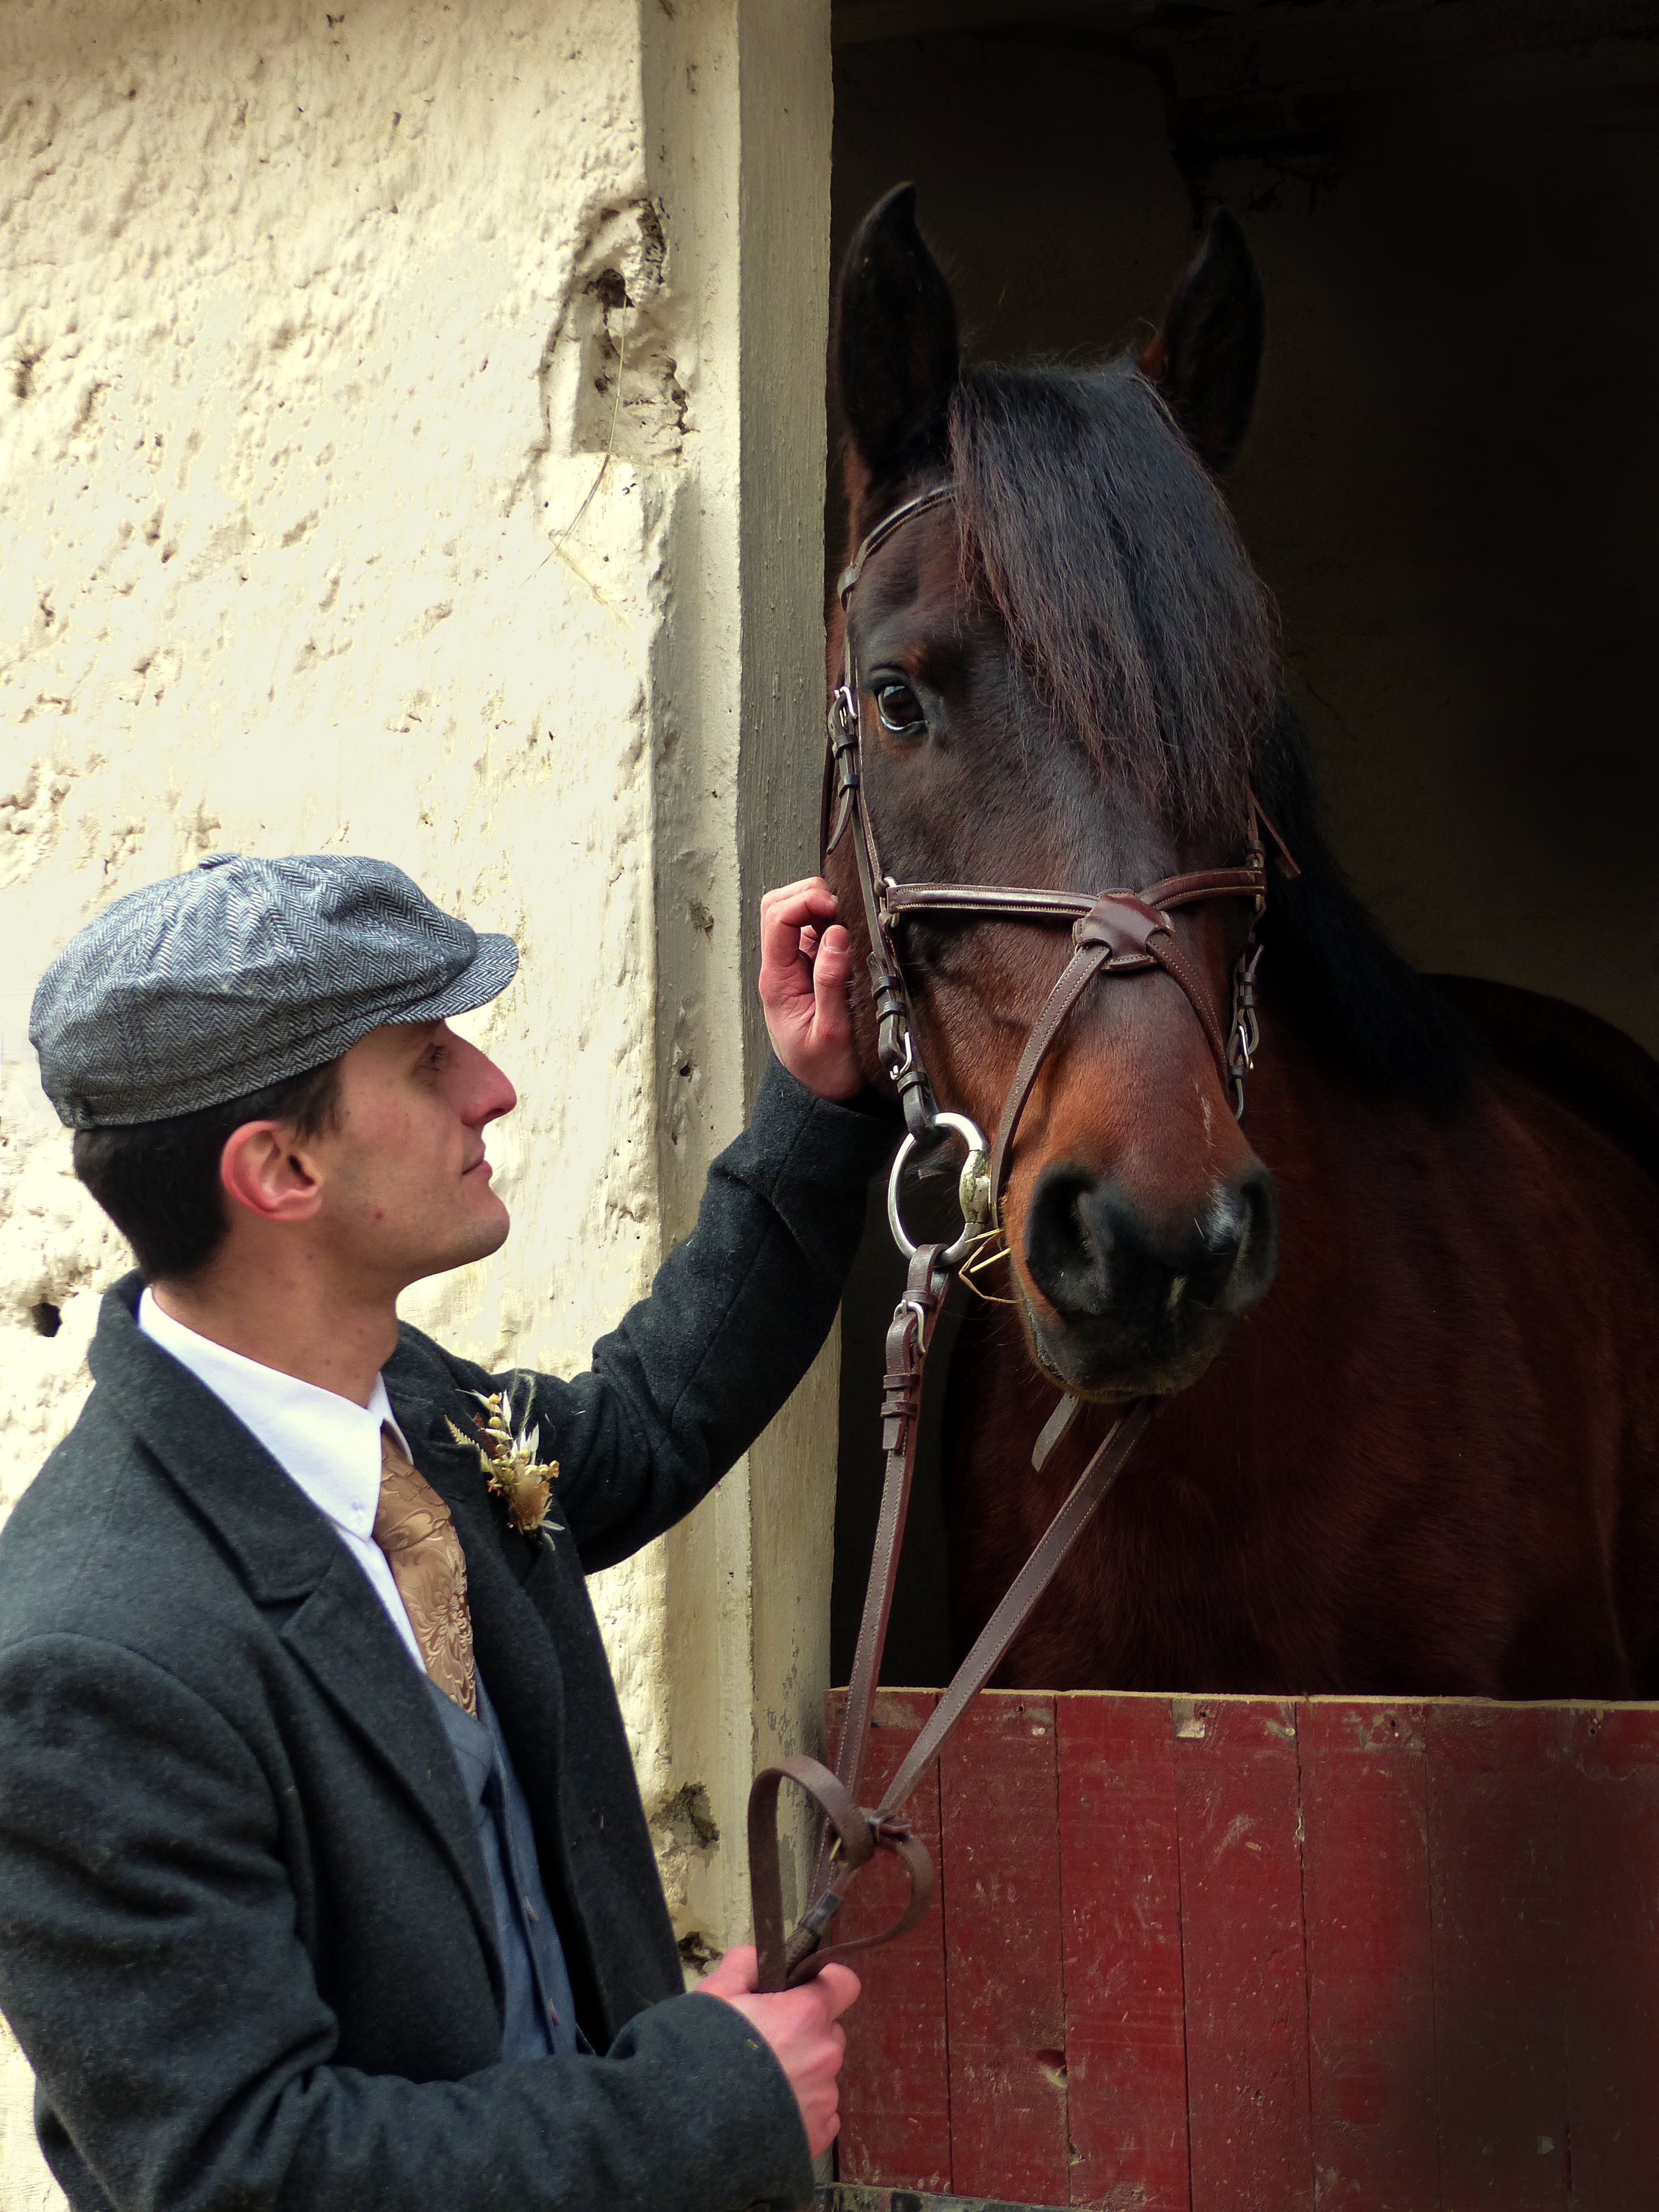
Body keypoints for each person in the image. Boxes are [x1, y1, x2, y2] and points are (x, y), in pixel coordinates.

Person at [0, 852, 895, 2212]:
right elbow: (249, 2173)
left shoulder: (411, 1408)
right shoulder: (83, 1664)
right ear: (282, 1166)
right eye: (428, 1059)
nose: (493, 1085)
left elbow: (645, 1425)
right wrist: (701, 2107)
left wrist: (818, 1100)